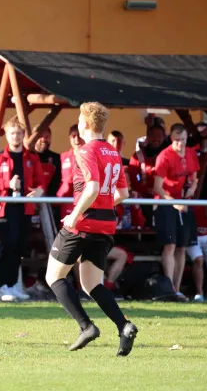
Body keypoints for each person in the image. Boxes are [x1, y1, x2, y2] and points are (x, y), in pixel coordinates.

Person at [45, 102, 138, 356]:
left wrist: (74, 215)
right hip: (106, 224)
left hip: (83, 224)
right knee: (91, 283)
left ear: (84, 124)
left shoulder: (85, 151)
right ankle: (124, 325)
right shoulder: (112, 152)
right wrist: (102, 206)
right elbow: (123, 193)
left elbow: (93, 188)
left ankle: (86, 327)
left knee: (54, 276)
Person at [0, 117, 44, 301]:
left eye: (19, 133)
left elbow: (41, 180)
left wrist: (39, 190)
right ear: (7, 135)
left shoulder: (31, 157)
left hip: (24, 207)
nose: (15, 136)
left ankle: (13, 284)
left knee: (19, 245)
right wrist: (7, 184)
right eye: (12, 133)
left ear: (23, 135)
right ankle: (2, 284)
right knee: (8, 244)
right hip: (4, 207)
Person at [153, 123, 199, 302]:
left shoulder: (190, 153)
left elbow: (194, 178)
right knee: (170, 245)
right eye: (178, 140)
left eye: (184, 140)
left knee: (182, 246)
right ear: (171, 140)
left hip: (184, 202)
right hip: (167, 203)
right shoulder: (164, 156)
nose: (181, 144)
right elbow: (158, 187)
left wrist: (192, 189)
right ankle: (169, 287)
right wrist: (174, 203)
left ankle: (177, 288)